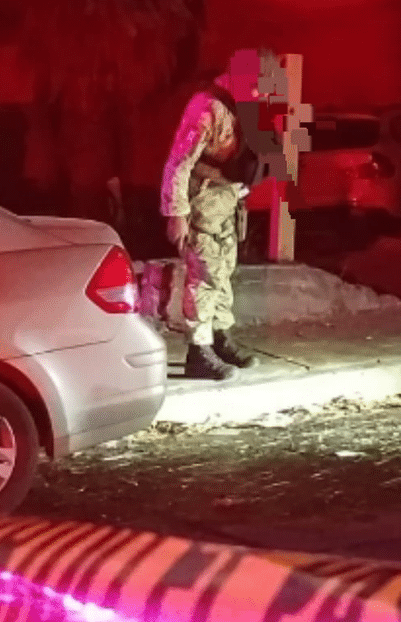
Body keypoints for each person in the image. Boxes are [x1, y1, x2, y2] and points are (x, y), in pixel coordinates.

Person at [161, 49, 269, 380]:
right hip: (203, 204)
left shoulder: (238, 106)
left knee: (223, 272)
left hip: (226, 201)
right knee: (204, 276)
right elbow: (178, 163)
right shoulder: (206, 109)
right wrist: (176, 212)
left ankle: (219, 336)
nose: (260, 94)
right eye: (255, 86)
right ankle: (199, 350)